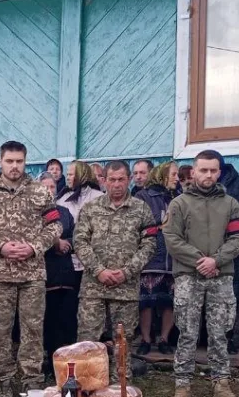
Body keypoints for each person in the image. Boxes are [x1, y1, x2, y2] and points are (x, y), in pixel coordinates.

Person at [0, 141, 61, 397]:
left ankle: (32, 380)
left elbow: (55, 226)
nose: (15, 166)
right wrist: (0, 246)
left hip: (32, 273)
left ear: (25, 161)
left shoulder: (40, 192)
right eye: (10, 161)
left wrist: (33, 247)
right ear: (1, 161)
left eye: (19, 161)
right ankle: (4, 380)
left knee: (33, 328)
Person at [163, 152, 239, 397]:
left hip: (221, 276)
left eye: (213, 170)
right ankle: (183, 387)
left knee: (220, 332)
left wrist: (216, 261)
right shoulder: (179, 204)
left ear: (219, 172)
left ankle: (221, 386)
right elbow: (171, 238)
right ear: (194, 172)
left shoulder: (231, 203)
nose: (208, 175)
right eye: (203, 170)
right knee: (187, 332)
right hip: (188, 276)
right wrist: (200, 259)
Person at [72, 161, 157, 358]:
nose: (116, 184)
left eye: (121, 180)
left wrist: (127, 272)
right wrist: (98, 270)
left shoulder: (142, 209)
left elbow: (150, 245)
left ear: (129, 180)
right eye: (112, 180)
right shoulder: (91, 209)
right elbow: (80, 241)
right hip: (94, 287)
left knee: (123, 341)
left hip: (126, 288)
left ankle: (120, 385)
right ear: (104, 181)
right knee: (88, 341)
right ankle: (88, 384)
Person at [208, 152, 239, 354]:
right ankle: (207, 338)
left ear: (220, 168)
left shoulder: (237, 182)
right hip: (207, 248)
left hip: (234, 250)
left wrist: (230, 231)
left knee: (230, 296)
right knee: (207, 294)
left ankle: (228, 337)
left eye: (213, 169)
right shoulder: (201, 186)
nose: (209, 173)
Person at [136, 162, 179, 355]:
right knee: (147, 301)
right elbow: (139, 224)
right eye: (173, 174)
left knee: (169, 300)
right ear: (162, 175)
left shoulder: (179, 197)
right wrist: (159, 227)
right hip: (151, 257)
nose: (177, 178)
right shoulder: (143, 196)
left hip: (174, 258)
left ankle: (164, 339)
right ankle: (145, 339)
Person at [42, 179, 77, 376]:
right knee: (49, 322)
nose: (49, 190)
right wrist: (54, 243)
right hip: (46, 275)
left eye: (52, 187)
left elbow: (76, 236)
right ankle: (49, 361)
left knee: (67, 320)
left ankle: (67, 365)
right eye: (45, 187)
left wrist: (66, 243)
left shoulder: (64, 212)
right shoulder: (34, 212)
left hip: (66, 275)